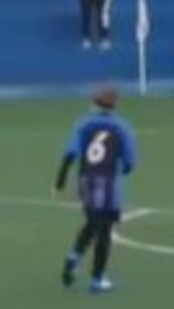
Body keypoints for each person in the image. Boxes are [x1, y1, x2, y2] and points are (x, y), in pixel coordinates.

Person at [54, 86, 137, 293]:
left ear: (94, 104)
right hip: (108, 184)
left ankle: (74, 258)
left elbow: (70, 154)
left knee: (92, 222)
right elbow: (130, 161)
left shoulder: (83, 124)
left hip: (87, 181)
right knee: (104, 231)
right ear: (115, 106)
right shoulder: (122, 127)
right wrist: (122, 170)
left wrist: (60, 182)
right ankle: (97, 279)